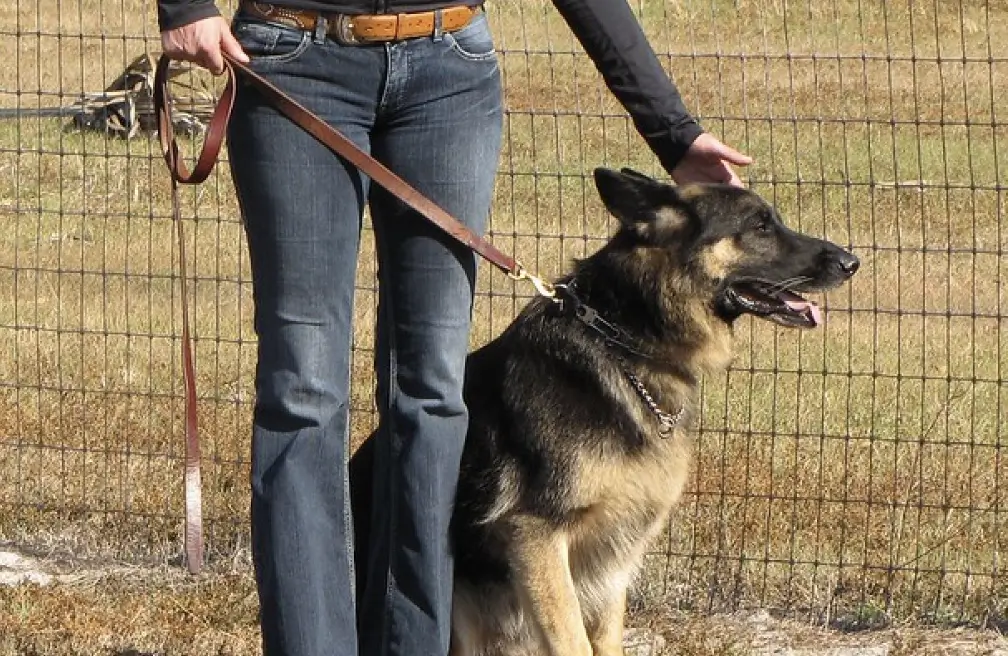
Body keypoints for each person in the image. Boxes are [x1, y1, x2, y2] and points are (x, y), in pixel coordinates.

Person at [156, 1, 752, 655]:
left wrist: (672, 131)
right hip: (295, 55)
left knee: (432, 393)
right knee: (302, 387)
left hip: (448, 69)